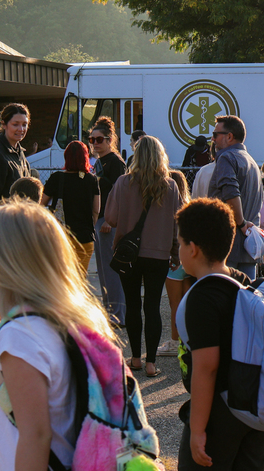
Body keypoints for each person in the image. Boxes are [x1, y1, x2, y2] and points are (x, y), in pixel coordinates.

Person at [0, 200, 136, 471]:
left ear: (4, 263)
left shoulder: (17, 337)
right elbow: (50, 421)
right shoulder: (55, 322)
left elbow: (36, 436)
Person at [174, 197, 264, 471]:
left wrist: (197, 430)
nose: (178, 249)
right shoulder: (242, 281)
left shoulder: (202, 297)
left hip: (221, 412)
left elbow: (207, 368)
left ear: (193, 249)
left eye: (180, 243)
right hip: (253, 406)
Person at [105, 135, 182, 377]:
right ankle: (151, 363)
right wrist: (174, 251)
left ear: (136, 156)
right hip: (158, 254)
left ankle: (135, 358)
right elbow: (177, 223)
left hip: (129, 253)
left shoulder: (123, 182)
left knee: (132, 303)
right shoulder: (170, 186)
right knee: (152, 306)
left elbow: (111, 219)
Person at [208, 115, 262, 280]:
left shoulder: (226, 157)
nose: (213, 139)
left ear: (229, 136)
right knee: (247, 298)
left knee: (225, 298)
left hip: (229, 242)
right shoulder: (251, 161)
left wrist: (241, 223)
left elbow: (231, 194)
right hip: (248, 245)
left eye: (216, 134)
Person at [89, 116, 127, 327]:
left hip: (108, 221)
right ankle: (109, 312)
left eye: (99, 139)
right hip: (101, 219)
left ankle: (117, 314)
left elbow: (119, 194)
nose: (95, 143)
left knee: (112, 271)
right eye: (92, 139)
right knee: (103, 270)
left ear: (110, 139)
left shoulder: (115, 162)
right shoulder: (99, 162)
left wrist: (111, 221)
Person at [41, 141, 99, 276]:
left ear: (66, 157)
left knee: (61, 279)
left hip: (61, 236)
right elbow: (96, 209)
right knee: (78, 281)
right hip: (85, 237)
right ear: (85, 157)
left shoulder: (57, 178)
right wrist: (90, 225)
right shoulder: (91, 179)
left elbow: (42, 203)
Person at [159, 170, 192, 357]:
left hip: (175, 260)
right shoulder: (188, 206)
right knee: (187, 303)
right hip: (189, 260)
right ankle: (187, 340)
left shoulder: (169, 208)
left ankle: (174, 341)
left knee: (175, 304)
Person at [0, 103, 31, 201]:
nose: (21, 129)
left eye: (24, 125)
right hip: (3, 215)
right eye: (15, 124)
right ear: (4, 124)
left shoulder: (19, 152)